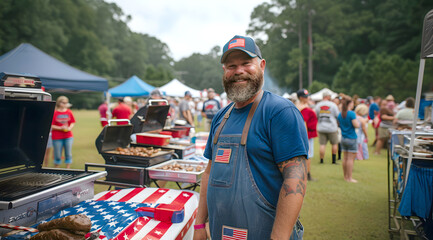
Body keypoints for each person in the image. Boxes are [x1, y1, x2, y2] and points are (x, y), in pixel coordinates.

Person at [194, 35, 308, 240]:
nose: (238, 71)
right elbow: (209, 174)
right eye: (231, 65)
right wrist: (200, 224)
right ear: (224, 71)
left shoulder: (280, 112)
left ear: (262, 65)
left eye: (246, 63)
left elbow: (295, 179)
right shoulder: (221, 117)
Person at [297, 89, 318, 181]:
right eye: (305, 97)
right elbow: (304, 122)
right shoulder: (303, 108)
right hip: (307, 134)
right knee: (308, 155)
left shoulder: (300, 106)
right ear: (301, 98)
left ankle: (305, 174)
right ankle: (307, 174)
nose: (307, 98)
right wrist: (304, 136)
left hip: (305, 133)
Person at [337, 97, 360, 183]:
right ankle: (349, 178)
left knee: (345, 158)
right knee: (350, 159)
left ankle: (345, 176)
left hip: (343, 138)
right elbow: (356, 125)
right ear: (350, 104)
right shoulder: (351, 113)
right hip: (351, 137)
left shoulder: (340, 114)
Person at [315, 91, 340, 164]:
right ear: (328, 96)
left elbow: (316, 115)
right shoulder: (333, 105)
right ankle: (334, 160)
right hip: (332, 127)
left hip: (321, 126)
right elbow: (337, 115)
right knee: (334, 143)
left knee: (322, 144)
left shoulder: (318, 105)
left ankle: (322, 160)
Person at [51, 96, 75, 168]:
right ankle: (56, 168)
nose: (65, 104)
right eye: (63, 102)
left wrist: (69, 128)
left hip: (68, 136)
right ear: (59, 103)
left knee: (68, 153)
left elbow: (72, 122)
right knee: (57, 154)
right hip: (57, 137)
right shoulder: (54, 112)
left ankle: (68, 168)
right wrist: (60, 128)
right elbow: (51, 125)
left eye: (66, 103)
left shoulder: (69, 112)